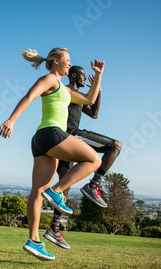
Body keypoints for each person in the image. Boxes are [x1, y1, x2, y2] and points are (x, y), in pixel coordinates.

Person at [0, 48, 104, 261]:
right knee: (95, 159)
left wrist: (98, 75)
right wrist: (12, 119)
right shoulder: (50, 79)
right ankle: (57, 191)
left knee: (38, 191)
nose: (70, 64)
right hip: (52, 133)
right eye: (67, 61)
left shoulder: (65, 90)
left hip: (41, 141)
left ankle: (34, 241)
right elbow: (29, 96)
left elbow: (89, 99)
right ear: (56, 61)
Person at [44, 66, 122, 250]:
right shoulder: (67, 90)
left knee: (65, 183)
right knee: (115, 146)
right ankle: (93, 185)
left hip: (62, 140)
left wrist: (98, 89)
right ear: (72, 75)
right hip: (71, 135)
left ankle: (54, 228)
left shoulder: (76, 95)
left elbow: (94, 113)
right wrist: (96, 83)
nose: (84, 78)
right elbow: (89, 101)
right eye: (82, 75)